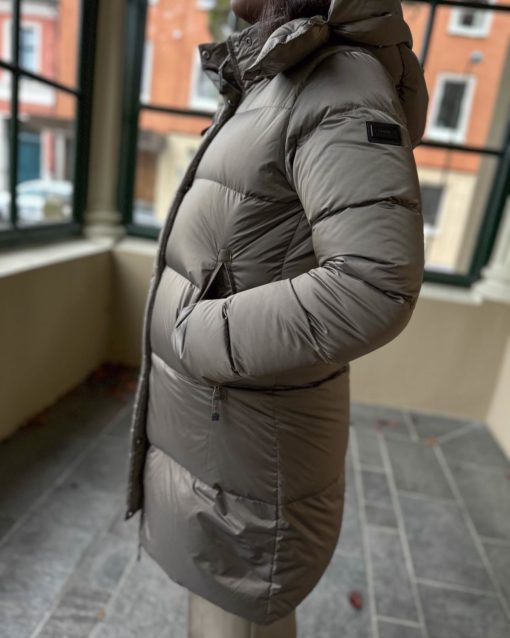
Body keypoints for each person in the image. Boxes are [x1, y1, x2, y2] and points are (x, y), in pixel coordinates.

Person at [124, 0, 429, 636]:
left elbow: (374, 283)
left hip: (246, 453)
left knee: (235, 613)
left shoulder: (337, 80)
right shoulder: (281, 74)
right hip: (223, 439)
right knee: (222, 603)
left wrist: (194, 337)